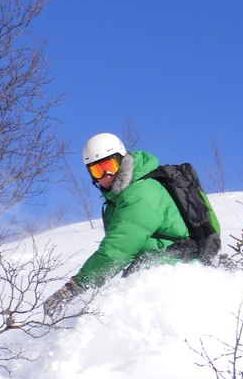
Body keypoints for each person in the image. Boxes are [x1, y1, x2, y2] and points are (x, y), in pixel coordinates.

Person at [44, 133, 221, 316]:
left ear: (122, 161)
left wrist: (73, 288)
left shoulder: (139, 194)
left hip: (177, 264)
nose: (106, 175)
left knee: (128, 294)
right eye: (97, 170)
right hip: (167, 261)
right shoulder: (122, 196)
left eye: (109, 166)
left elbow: (117, 250)